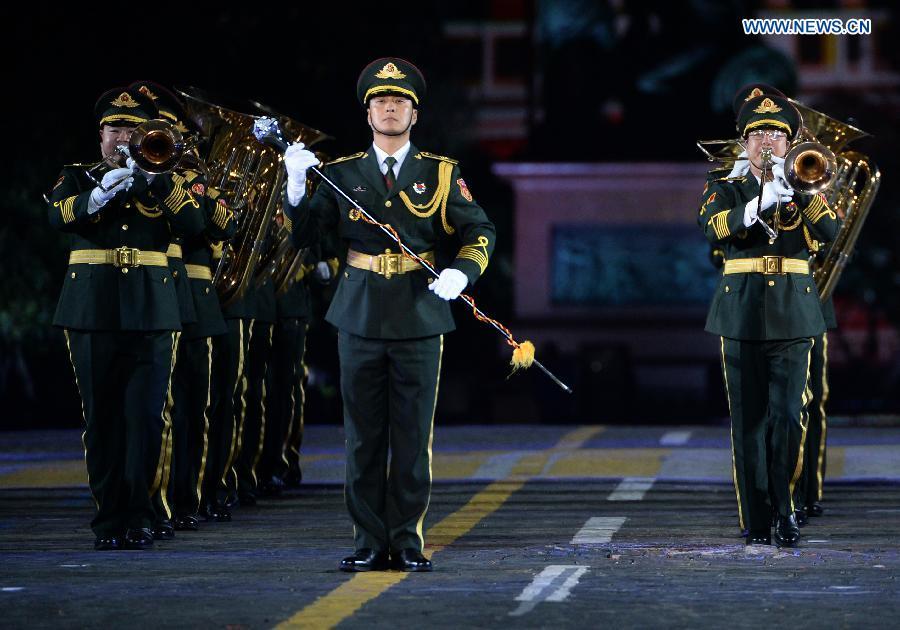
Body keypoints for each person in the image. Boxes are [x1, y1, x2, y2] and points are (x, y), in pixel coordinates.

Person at [283, 58, 496, 571]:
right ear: (368, 112)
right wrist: (294, 187)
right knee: (362, 436)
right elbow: (307, 238)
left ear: (414, 114)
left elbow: (480, 231)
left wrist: (463, 273)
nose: (391, 107)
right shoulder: (339, 174)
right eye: (381, 101)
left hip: (420, 312)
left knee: (411, 436)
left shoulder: (440, 173)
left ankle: (407, 539)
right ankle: (367, 541)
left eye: (399, 101)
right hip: (358, 312)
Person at [48, 87, 204, 550]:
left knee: (147, 417)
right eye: (115, 129)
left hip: (153, 307)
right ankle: (108, 518)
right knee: (101, 419)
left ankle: (140, 514)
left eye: (133, 130)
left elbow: (197, 226)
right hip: (92, 307)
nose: (122, 138)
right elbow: (58, 217)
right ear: (100, 135)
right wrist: (95, 198)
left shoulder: (166, 177)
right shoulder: (77, 176)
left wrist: (154, 180)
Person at [698, 94, 839, 547]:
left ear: (789, 141)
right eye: (757, 134)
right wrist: (759, 203)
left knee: (787, 416)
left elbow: (833, 234)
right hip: (740, 311)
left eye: (775, 134)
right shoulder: (725, 184)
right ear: (744, 142)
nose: (766, 142)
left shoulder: (805, 183)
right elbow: (712, 227)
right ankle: (756, 518)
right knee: (748, 421)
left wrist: (797, 191)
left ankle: (786, 507)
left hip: (795, 315)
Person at [129, 81, 237, 533]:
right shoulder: (122, 171)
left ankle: (189, 496)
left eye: (170, 128)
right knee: (156, 406)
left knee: (194, 405)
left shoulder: (192, 176)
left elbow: (221, 224)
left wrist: (202, 186)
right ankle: (148, 503)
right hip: (154, 289)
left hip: (191, 295)